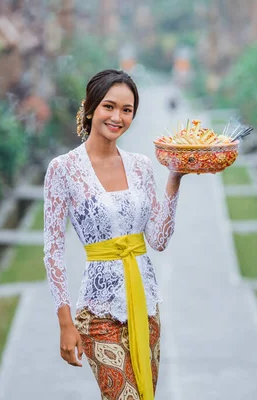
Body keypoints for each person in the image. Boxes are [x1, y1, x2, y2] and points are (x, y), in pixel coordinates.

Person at [43, 69, 185, 400]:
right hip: (98, 313)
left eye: (127, 110)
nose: (117, 117)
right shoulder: (63, 169)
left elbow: (159, 240)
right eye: (109, 106)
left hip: (146, 307)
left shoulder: (140, 167)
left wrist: (175, 178)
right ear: (90, 108)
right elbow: (53, 251)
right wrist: (65, 323)